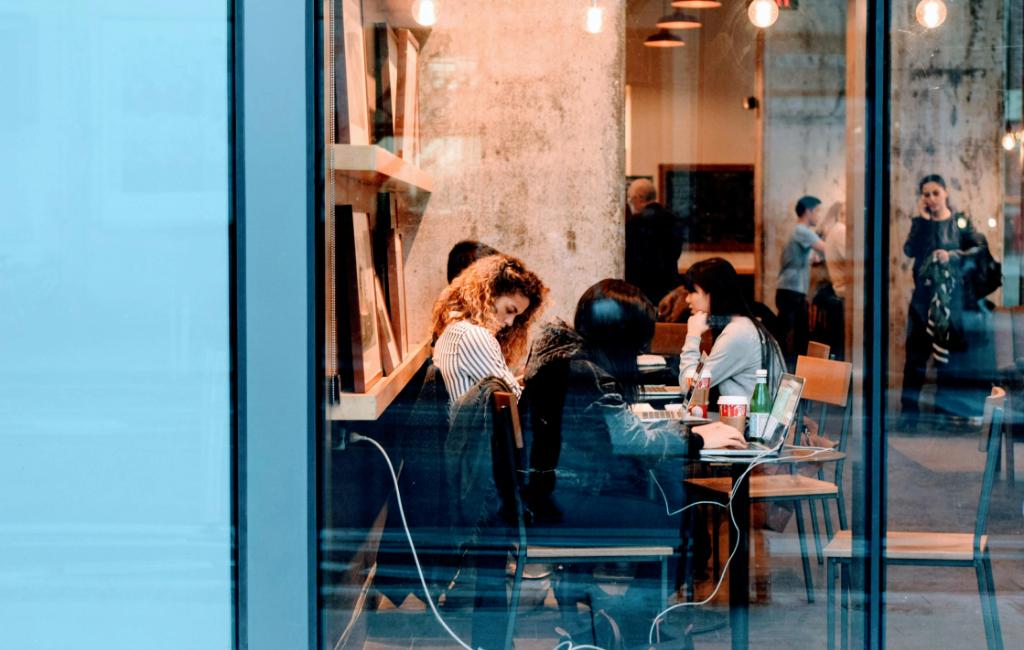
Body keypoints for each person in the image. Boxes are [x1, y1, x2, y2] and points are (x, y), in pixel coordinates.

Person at [522, 280, 746, 624]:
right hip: (567, 500)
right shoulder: (585, 372)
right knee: (689, 532)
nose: (642, 349)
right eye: (640, 339)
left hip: (556, 492)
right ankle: (629, 621)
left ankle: (618, 618)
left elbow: (617, 436)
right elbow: (630, 441)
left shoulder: (568, 360)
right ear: (620, 334)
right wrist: (698, 438)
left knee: (675, 499)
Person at [899, 174, 989, 428]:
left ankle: (942, 413)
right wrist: (923, 221)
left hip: (950, 300)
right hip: (922, 300)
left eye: (935, 193)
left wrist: (953, 254)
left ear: (946, 192)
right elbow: (910, 250)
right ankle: (909, 415)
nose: (931, 199)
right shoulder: (922, 223)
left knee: (947, 360)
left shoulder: (959, 223)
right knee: (915, 358)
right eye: (926, 194)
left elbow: (979, 249)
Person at [431, 254, 547, 404]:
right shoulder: (473, 336)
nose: (510, 322)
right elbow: (514, 403)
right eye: (509, 310)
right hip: (480, 426)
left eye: (516, 316)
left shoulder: (457, 328)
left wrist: (516, 382)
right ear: (490, 295)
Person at [679, 258, 787, 401]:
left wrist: (693, 336)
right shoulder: (742, 325)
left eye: (692, 292)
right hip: (743, 418)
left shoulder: (738, 333)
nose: (687, 300)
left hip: (749, 421)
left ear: (713, 292)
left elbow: (689, 388)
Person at [776, 196, 828, 370]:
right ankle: (784, 370)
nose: (819, 215)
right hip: (791, 290)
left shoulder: (798, 231)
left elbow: (803, 256)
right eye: (817, 211)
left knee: (799, 333)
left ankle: (794, 372)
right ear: (808, 211)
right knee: (789, 333)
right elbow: (827, 249)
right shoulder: (802, 230)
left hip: (791, 290)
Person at [625, 179, 688, 306]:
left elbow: (632, 260)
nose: (631, 203)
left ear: (639, 198)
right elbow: (676, 252)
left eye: (631, 199)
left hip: (642, 289)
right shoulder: (674, 219)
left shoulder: (635, 223)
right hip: (668, 285)